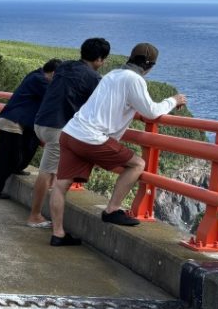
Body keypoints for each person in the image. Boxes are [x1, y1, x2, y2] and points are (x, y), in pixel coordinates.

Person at [48, 43, 187, 247]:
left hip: (71, 132)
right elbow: (152, 111)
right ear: (149, 65)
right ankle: (112, 209)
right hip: (91, 137)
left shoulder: (113, 74)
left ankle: (58, 234)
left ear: (130, 58)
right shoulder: (135, 80)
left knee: (60, 186)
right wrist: (173, 100)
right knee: (137, 164)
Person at [28, 37, 110, 228]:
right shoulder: (93, 78)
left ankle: (47, 214)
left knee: (57, 170)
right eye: (103, 59)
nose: (103, 63)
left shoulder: (64, 66)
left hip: (40, 122)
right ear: (99, 59)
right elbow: (102, 106)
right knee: (46, 172)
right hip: (57, 127)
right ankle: (34, 216)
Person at [0, 58, 61, 201]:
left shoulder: (35, 75)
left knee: (20, 150)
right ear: (54, 73)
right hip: (12, 122)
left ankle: (13, 170)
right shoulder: (40, 81)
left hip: (15, 121)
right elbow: (54, 98)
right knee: (5, 158)